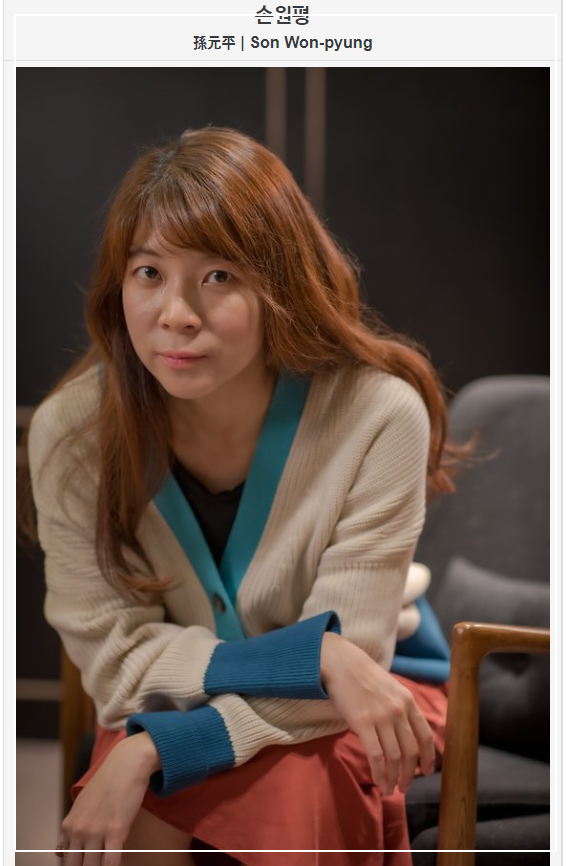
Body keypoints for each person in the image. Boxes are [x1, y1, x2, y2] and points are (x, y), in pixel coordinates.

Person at [19, 127, 472, 866]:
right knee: (139, 813)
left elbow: (356, 663)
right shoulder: (73, 434)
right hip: (178, 693)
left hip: (377, 686)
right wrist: (314, 657)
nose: (176, 312)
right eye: (148, 272)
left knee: (263, 782)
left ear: (280, 285)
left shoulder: (377, 414)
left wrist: (158, 748)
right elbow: (117, 666)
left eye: (219, 276)